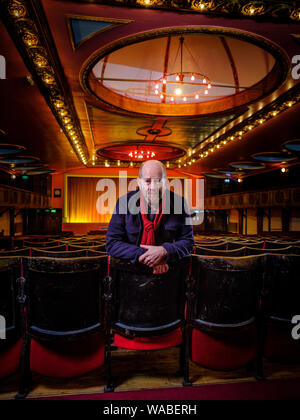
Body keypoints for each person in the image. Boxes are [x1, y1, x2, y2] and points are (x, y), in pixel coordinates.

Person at [106, 160, 195, 273]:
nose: (153, 187)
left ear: (165, 182)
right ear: (139, 182)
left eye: (158, 181)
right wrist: (151, 256)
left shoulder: (180, 203)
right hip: (129, 273)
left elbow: (188, 242)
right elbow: (112, 243)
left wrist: (164, 251)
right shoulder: (124, 202)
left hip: (168, 274)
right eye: (147, 181)